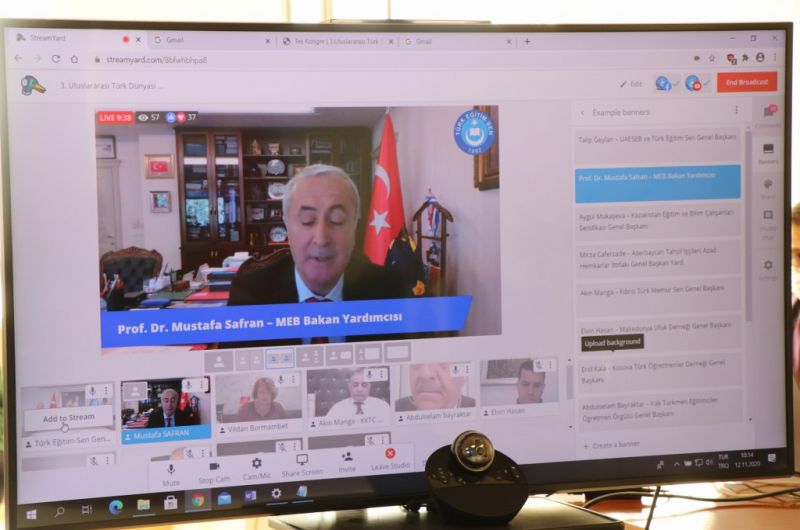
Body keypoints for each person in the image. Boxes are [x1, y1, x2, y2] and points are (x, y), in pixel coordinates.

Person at [227, 164, 406, 345]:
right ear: (287, 225)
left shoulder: (392, 292)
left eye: (337, 220)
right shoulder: (249, 295)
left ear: (354, 225)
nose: (321, 239)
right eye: (307, 221)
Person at [395, 363, 475, 411]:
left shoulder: (476, 408)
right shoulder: (396, 408)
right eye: (417, 363)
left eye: (442, 361)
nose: (425, 374)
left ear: (464, 375)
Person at [326, 368, 390, 417]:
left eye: (364, 385)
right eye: (355, 385)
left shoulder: (382, 406)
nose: (360, 389)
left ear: (369, 386)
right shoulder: (338, 408)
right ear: (349, 387)